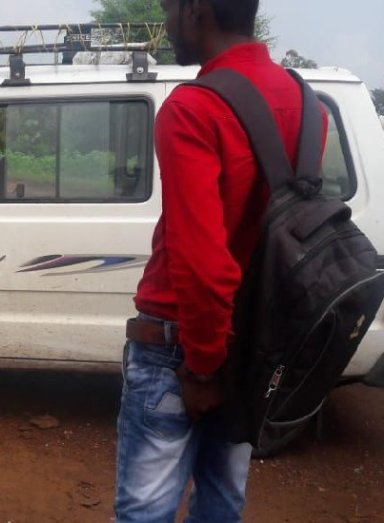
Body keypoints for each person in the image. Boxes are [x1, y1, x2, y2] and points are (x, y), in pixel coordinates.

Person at [115, 0, 326, 521]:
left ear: (196, 10)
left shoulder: (193, 108)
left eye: (167, 10)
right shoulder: (308, 105)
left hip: (181, 348)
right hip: (256, 341)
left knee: (146, 511)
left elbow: (204, 261)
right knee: (222, 500)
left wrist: (205, 367)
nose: (165, 26)